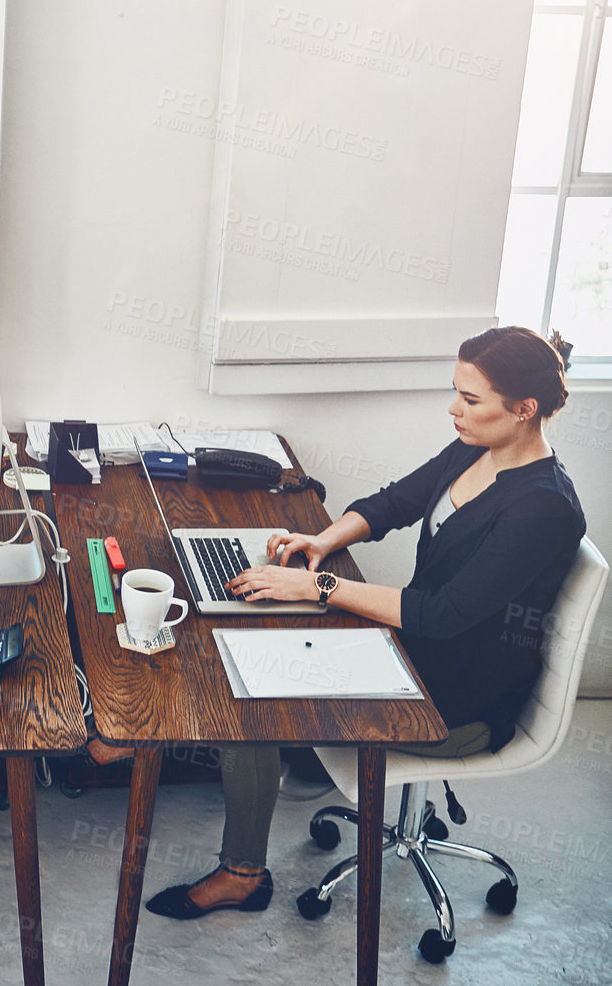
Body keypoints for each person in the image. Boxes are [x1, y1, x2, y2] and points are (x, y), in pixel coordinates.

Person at [145, 325, 585, 920]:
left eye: (471, 399)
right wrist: (319, 542)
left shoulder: (543, 507)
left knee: (250, 698)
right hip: (407, 650)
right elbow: (394, 503)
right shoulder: (479, 446)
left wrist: (321, 587)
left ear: (524, 410)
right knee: (250, 632)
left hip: (448, 701)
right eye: (456, 391)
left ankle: (242, 876)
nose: (453, 408)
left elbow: (445, 614)